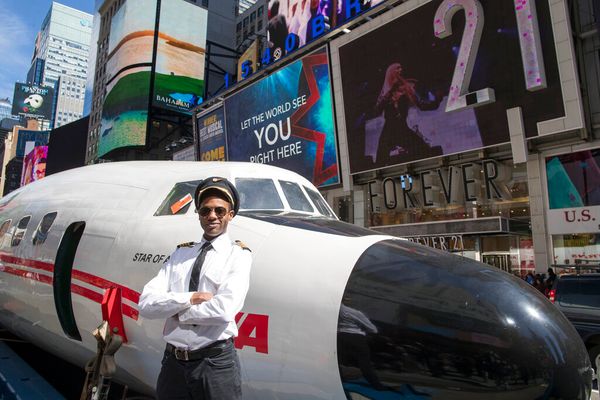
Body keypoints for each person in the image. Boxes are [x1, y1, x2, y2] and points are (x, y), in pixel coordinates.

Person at [138, 177, 253, 400]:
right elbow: (146, 305)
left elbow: (224, 310)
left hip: (215, 364)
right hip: (173, 364)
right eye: (205, 210)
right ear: (199, 214)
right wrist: (190, 298)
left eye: (219, 210)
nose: (212, 216)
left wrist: (176, 311)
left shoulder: (238, 255)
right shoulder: (180, 255)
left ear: (230, 214)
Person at [374, 63, 442, 166]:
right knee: (380, 161)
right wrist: (389, 93)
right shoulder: (386, 92)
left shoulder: (407, 89)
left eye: (401, 68)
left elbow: (422, 106)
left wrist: (437, 101)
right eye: (397, 68)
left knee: (423, 149)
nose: (400, 70)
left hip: (402, 128)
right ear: (391, 72)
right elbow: (377, 110)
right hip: (388, 130)